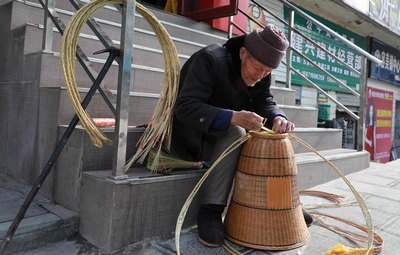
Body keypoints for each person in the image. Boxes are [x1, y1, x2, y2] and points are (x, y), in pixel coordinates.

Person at [171, 24, 313, 247]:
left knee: (274, 138)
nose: (260, 76)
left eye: (267, 72)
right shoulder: (210, 60)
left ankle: (286, 204)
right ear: (243, 53)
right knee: (238, 132)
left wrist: (277, 116)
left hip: (223, 132)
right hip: (192, 136)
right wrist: (234, 117)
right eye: (257, 69)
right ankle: (211, 210)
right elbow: (185, 108)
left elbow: (264, 100)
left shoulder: (260, 69)